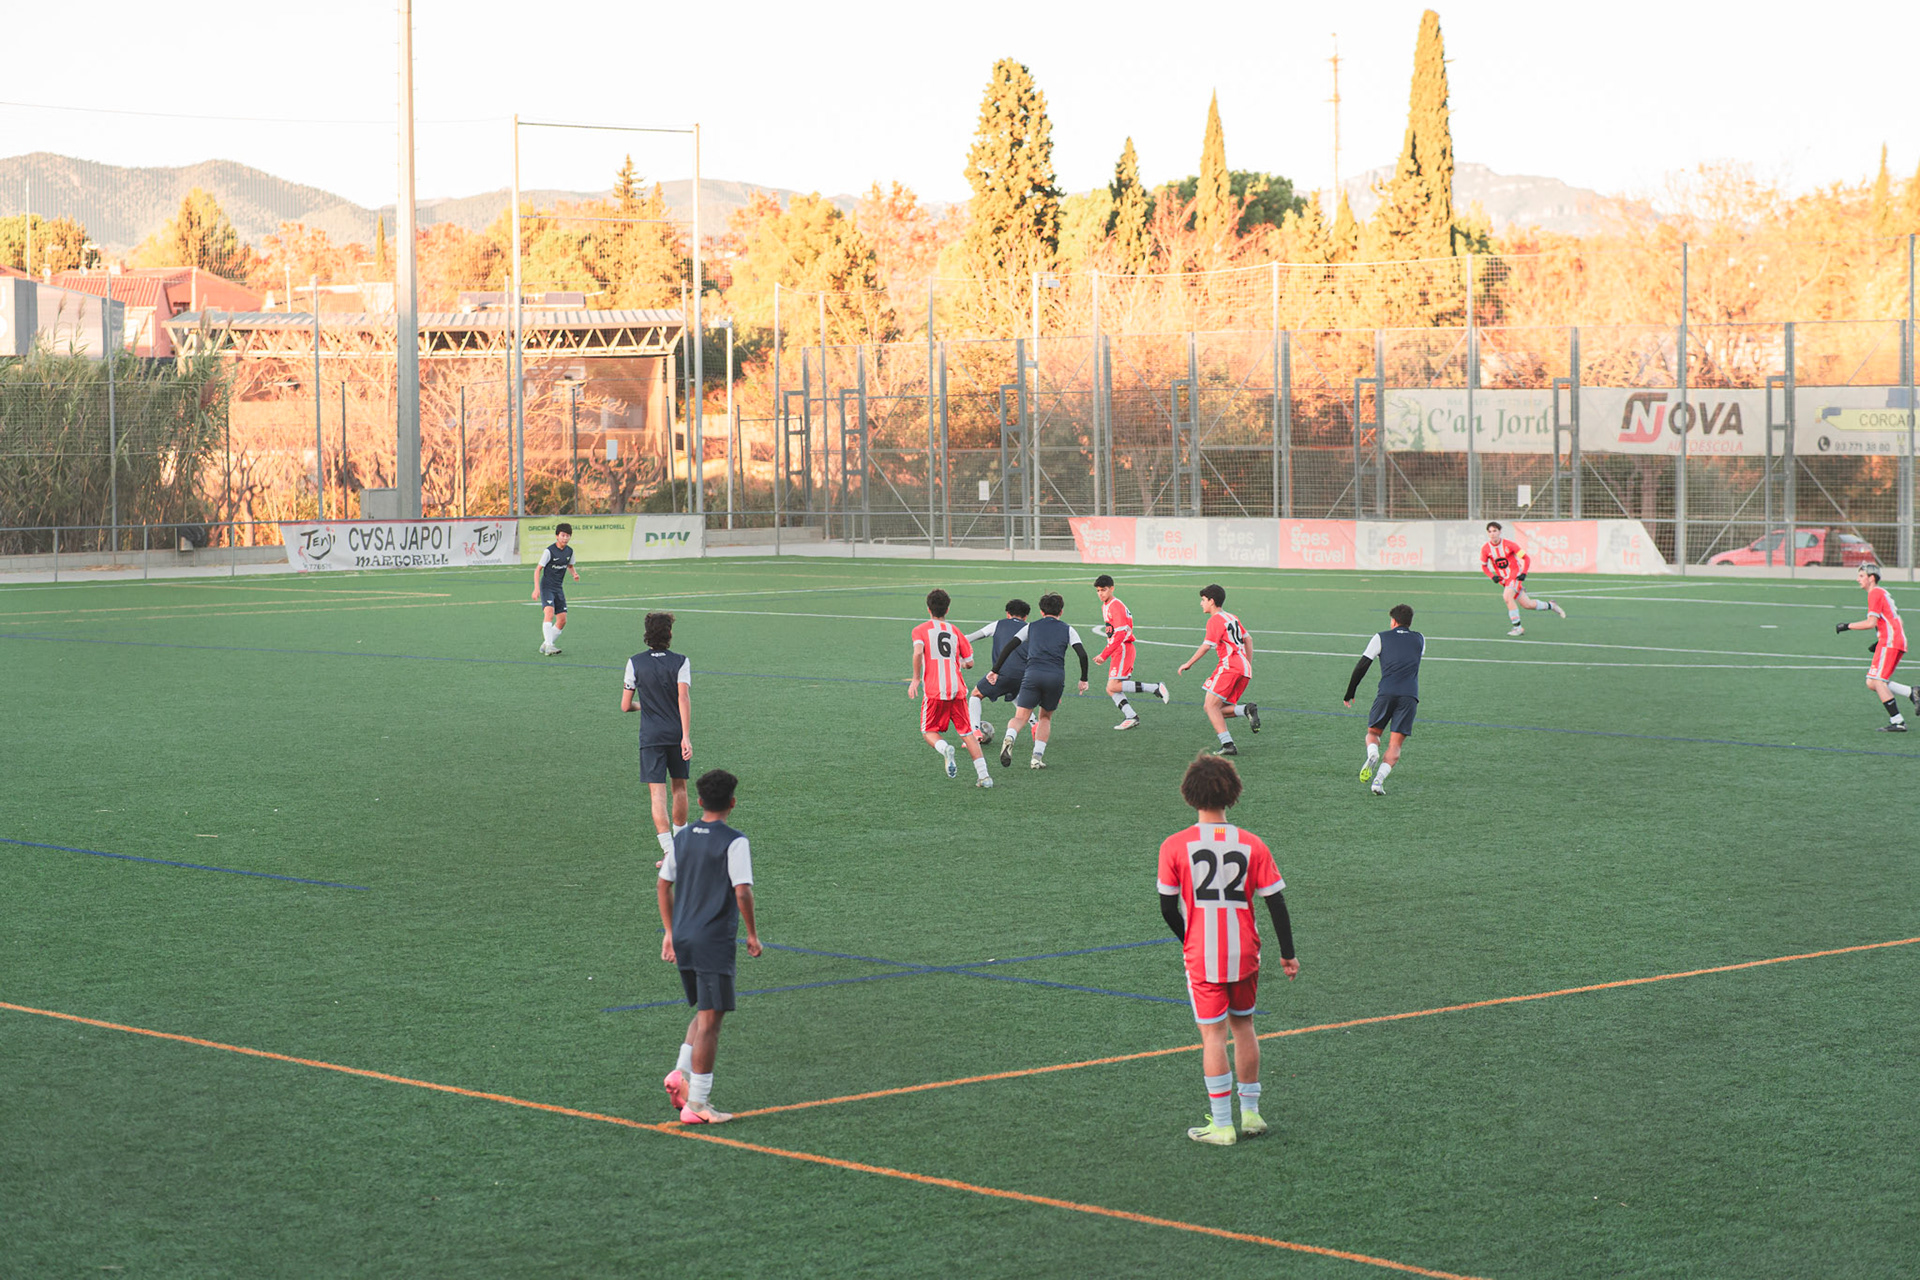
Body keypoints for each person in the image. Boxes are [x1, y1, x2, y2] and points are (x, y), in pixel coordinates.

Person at [1156, 753, 1297, 1146]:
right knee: (1244, 1026)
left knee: (1213, 1034)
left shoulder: (1174, 846)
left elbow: (1167, 908)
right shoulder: (1252, 844)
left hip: (1203, 954)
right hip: (1245, 950)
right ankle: (1251, 1113)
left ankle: (1221, 1124)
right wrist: (1288, 953)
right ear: (1232, 794)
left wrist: (1187, 939)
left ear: (1189, 794)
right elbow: (1276, 901)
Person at [659, 768, 761, 1125]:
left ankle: (681, 1074)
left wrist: (669, 931)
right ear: (733, 802)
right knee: (711, 1022)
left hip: (684, 937)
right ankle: (698, 1105)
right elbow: (742, 891)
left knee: (705, 1010)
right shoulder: (735, 841)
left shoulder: (683, 838)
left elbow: (663, 884)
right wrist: (752, 933)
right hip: (712, 940)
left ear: (699, 801)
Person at [987, 592, 1089, 769]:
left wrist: (995, 670)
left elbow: (1009, 646)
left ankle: (1010, 736)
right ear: (1061, 611)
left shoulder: (1031, 627)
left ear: (1042, 612)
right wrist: (1083, 679)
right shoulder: (1068, 629)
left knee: (1020, 717)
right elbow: (1082, 655)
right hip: (1055, 677)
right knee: (1045, 717)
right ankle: (1036, 758)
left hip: (1032, 675)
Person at [623, 611, 694, 858]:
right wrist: (686, 736)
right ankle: (681, 845)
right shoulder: (681, 661)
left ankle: (668, 851)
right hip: (676, 733)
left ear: (647, 634)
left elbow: (625, 705)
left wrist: (646, 705)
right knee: (680, 788)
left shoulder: (634, 662)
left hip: (651, 736)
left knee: (657, 794)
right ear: (669, 633)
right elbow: (683, 698)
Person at [911, 589, 993, 787]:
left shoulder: (920, 630)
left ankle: (945, 748)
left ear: (928, 608)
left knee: (928, 731)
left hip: (934, 690)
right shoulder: (955, 631)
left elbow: (918, 652)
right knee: (967, 733)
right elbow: (969, 662)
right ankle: (984, 777)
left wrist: (915, 678)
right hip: (957, 690)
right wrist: (960, 663)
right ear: (947, 609)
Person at [1344, 603, 1426, 796]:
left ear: (1394, 621)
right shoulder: (1420, 639)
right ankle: (1378, 782)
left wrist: (1350, 692)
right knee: (1395, 745)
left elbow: (1362, 665)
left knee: (1373, 733)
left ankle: (1372, 752)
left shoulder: (1380, 637)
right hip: (1409, 695)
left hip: (1387, 692)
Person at [1176, 584, 1259, 756]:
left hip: (1230, 667)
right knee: (1217, 709)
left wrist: (1188, 663)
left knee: (1210, 706)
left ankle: (1228, 745)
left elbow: (1206, 646)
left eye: (1203, 600)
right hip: (1244, 670)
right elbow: (1248, 639)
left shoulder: (1214, 620)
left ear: (1211, 601)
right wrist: (1248, 664)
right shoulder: (1232, 617)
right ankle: (1246, 710)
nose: (1201, 603)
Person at [1835, 564, 1916, 731]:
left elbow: (1871, 622)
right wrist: (1879, 640)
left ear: (1871, 578)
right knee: (1872, 682)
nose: (1858, 579)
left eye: (1861, 576)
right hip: (1891, 641)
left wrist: (1847, 626)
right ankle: (1912, 692)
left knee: (1878, 681)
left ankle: (1898, 722)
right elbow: (1895, 621)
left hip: (1890, 642)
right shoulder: (1882, 593)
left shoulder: (1875, 593)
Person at [1091, 574, 1171, 730]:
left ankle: (1155, 688)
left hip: (1122, 649)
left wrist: (1104, 654)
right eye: (1098, 590)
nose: (1100, 593)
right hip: (1117, 650)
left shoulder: (1115, 606)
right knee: (1111, 688)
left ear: (1112, 589)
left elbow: (1121, 634)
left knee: (1113, 686)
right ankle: (1131, 716)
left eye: (1103, 590)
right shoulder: (1106, 605)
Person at [963, 599, 1032, 747]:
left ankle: (975, 731)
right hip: (1025, 675)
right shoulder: (1031, 628)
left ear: (1007, 613)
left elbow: (969, 638)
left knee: (976, 695)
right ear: (1026, 616)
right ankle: (1035, 724)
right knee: (1015, 695)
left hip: (1002, 672)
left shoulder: (998, 624)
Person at [1481, 521, 1565, 637]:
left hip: (1515, 576)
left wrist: (1524, 573)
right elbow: (1484, 566)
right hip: (1504, 580)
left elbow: (1526, 558)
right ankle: (1551, 605)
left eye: (1495, 531)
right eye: (1490, 531)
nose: (1492, 534)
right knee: (1527, 604)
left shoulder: (1510, 545)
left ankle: (1518, 628)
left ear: (1500, 532)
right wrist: (1492, 576)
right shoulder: (1486, 549)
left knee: (1507, 597)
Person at [532, 522, 581, 655]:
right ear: (557, 536)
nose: (565, 538)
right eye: (563, 535)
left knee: (562, 620)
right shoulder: (549, 551)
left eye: (568, 536)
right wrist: (536, 589)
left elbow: (570, 566)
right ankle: (549, 646)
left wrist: (574, 574)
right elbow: (538, 570)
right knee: (549, 613)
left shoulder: (569, 551)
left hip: (558, 588)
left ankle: (545, 644)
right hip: (547, 587)